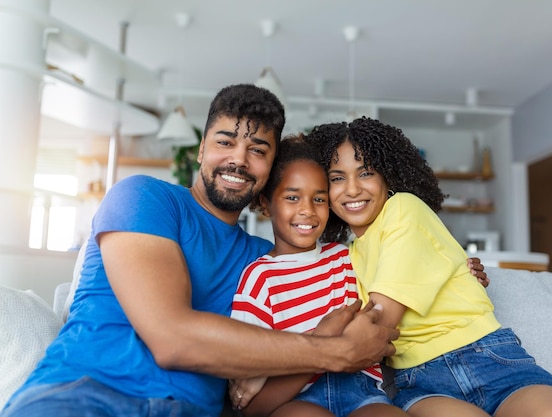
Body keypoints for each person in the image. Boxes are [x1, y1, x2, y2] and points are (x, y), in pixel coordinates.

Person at [0, 85, 399, 417]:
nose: (239, 159)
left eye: (258, 150)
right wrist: (334, 351)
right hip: (86, 396)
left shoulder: (269, 263)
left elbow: (371, 274)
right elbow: (172, 338)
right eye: (226, 142)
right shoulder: (144, 198)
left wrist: (459, 270)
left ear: (270, 170)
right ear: (201, 149)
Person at [304, 117, 552, 417]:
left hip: (490, 360)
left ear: (388, 176)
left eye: (366, 173)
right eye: (337, 177)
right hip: (422, 382)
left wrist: (315, 347)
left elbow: (380, 322)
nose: (352, 189)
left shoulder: (404, 207)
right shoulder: (346, 254)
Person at [228, 136, 410, 417]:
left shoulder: (347, 256)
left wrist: (461, 267)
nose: (307, 210)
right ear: (265, 204)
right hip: (296, 398)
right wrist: (324, 337)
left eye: (319, 199)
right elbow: (252, 406)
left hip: (363, 393)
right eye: (292, 197)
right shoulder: (260, 278)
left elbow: (402, 271)